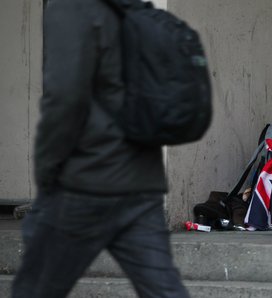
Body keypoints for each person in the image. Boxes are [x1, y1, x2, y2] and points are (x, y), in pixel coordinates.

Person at [12, 0, 190, 297]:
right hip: (142, 183)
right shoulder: (133, 9)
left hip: (84, 182)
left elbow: (64, 98)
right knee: (165, 292)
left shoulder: (70, 8)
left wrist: (47, 170)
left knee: (35, 290)